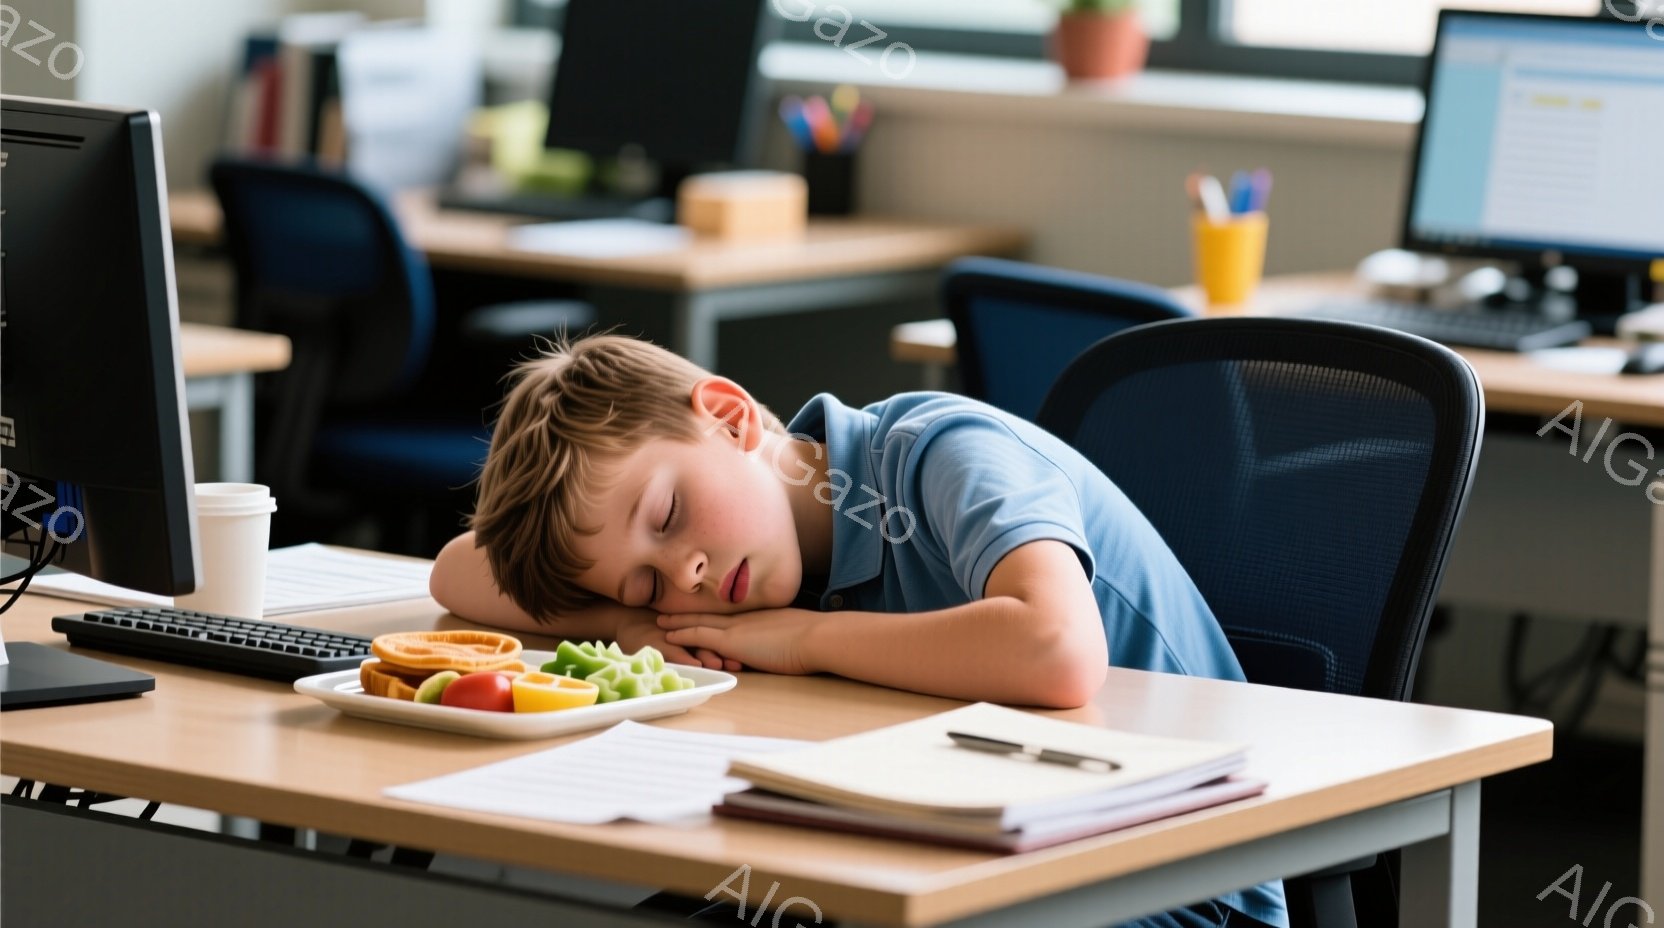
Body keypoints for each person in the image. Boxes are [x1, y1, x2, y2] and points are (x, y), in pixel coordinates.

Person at [429, 334, 1286, 928]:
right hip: (969, 852)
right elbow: (457, 571)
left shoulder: (939, 454)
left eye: (667, 514)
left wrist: (804, 640)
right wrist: (627, 622)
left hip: (1179, 879)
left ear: (729, 416)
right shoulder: (738, 570)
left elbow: (1057, 651)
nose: (684, 577)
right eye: (647, 580)